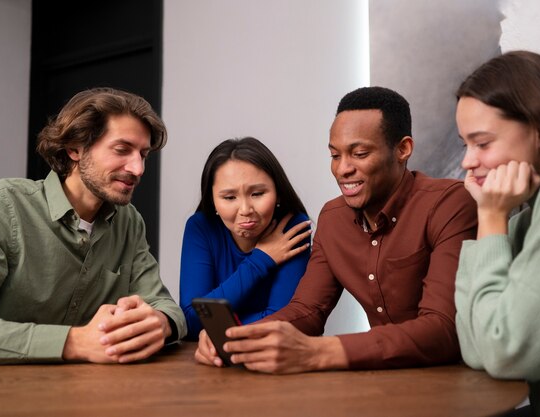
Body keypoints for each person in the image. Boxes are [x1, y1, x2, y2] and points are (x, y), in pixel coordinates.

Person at [195, 86, 477, 372]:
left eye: (360, 153)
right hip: (385, 382)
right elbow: (308, 310)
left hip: (454, 381)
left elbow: (442, 328)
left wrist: (321, 351)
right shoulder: (333, 218)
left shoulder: (449, 203)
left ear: (403, 149)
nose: (343, 169)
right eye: (335, 155)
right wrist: (238, 336)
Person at [0, 87, 186, 365]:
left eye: (143, 154)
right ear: (74, 148)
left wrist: (160, 322)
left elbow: (164, 305)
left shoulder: (129, 221)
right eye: (122, 150)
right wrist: (74, 342)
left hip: (90, 397)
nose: (138, 168)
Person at [454, 50, 540, 417]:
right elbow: (475, 349)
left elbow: (503, 353)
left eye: (482, 143)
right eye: (464, 145)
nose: (468, 161)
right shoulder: (522, 221)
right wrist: (491, 221)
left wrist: (490, 218)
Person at [179, 137, 311, 339]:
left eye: (257, 193)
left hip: (272, 360)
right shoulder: (200, 227)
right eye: (229, 197)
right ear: (212, 199)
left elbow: (281, 322)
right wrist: (262, 258)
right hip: (208, 359)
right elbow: (191, 319)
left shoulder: (292, 227)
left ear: (278, 193)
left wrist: (216, 326)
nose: (245, 210)